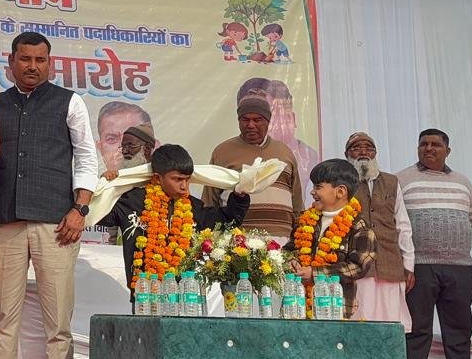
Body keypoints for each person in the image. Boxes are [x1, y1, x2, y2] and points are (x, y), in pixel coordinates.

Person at [0, 31, 99, 359]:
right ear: (10, 62)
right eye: (25, 59)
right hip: (4, 223)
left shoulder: (69, 102)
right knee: (1, 321)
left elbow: (87, 157)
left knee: (57, 325)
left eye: (40, 60)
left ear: (50, 63)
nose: (32, 66)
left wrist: (80, 209)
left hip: (57, 225)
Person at [96, 144, 250, 305]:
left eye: (187, 179)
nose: (184, 186)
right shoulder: (131, 202)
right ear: (157, 178)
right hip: (145, 298)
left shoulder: (193, 207)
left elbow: (228, 221)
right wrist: (104, 186)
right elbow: (98, 215)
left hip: (185, 298)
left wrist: (240, 197)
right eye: (177, 179)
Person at [397, 128, 472, 359]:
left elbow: (470, 220)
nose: (429, 148)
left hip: (459, 268)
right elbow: (397, 223)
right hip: (419, 268)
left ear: (447, 150)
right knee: (417, 332)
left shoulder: (463, 182)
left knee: (459, 332)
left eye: (435, 144)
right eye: (424, 144)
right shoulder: (402, 179)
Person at [202, 95, 303, 240]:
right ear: (239, 121)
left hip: (281, 241)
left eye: (257, 120)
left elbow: (297, 200)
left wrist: (299, 236)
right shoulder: (223, 152)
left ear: (268, 121)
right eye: (245, 119)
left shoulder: (285, 152)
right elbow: (209, 200)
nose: (250, 125)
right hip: (236, 243)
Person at [344, 132, 415, 329]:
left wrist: (409, 264)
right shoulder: (340, 184)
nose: (363, 152)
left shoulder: (391, 182)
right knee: (360, 323)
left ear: (375, 153)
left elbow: (403, 225)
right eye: (356, 148)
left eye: (369, 148)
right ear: (347, 154)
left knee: (391, 324)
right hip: (357, 264)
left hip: (390, 263)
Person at [288, 159, 373, 316]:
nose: (312, 192)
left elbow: (359, 266)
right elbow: (288, 250)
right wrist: (292, 262)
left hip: (336, 310)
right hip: (298, 306)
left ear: (340, 191)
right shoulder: (306, 220)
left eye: (318, 187)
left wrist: (315, 273)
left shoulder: (358, 226)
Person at [95, 101, 154, 173]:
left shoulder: (162, 177)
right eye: (111, 139)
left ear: (149, 148)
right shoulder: (92, 179)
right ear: (100, 148)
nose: (122, 149)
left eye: (131, 140)